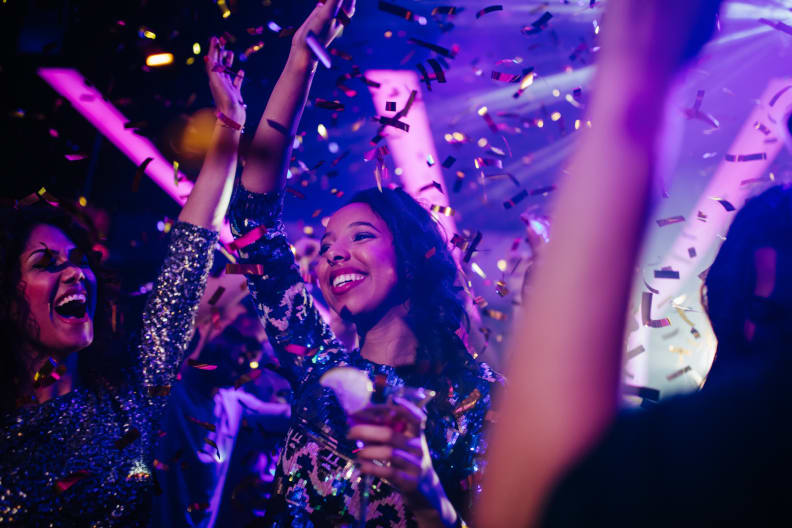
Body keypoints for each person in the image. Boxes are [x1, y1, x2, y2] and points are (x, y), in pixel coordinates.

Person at [471, 1, 792, 527]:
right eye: (775, 316)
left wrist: (641, 60)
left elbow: (531, 504)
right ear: (736, 313)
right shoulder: (708, 454)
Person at [228, 1, 500, 526]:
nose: (333, 253)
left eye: (361, 235)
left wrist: (426, 493)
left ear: (412, 253)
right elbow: (251, 218)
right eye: (327, 244)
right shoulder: (316, 363)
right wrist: (300, 61)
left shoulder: (478, 396)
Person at [0, 37, 246, 525]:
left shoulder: (129, 392)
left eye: (78, 259)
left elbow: (190, 251)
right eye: (46, 263)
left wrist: (230, 126)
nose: (75, 272)